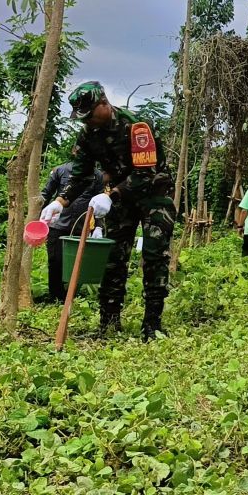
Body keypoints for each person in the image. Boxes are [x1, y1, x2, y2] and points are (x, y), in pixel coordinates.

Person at [40, 81, 176, 341]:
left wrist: (110, 194)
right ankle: (109, 322)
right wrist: (60, 202)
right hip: (118, 200)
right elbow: (80, 174)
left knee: (154, 256)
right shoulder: (88, 134)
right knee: (114, 257)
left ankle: (152, 324)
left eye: (89, 115)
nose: (86, 122)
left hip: (153, 196)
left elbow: (145, 173)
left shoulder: (137, 127)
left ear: (104, 104)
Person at [39, 150, 103, 303]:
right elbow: (46, 194)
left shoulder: (97, 175)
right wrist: (38, 221)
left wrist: (98, 226)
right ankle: (55, 296)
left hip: (81, 226)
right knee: (55, 261)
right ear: (74, 152)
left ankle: (72, 294)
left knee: (78, 262)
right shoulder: (60, 170)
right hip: (58, 224)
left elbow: (99, 202)